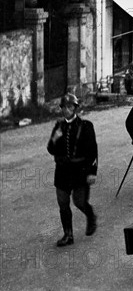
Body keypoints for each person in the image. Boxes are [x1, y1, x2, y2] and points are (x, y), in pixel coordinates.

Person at [47, 93, 98, 247]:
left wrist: (92, 172)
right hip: (62, 171)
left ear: (75, 108)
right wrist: (55, 138)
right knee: (63, 203)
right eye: (64, 107)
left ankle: (91, 216)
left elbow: (92, 151)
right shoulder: (58, 126)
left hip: (80, 170)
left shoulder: (86, 126)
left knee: (80, 202)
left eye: (70, 107)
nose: (67, 110)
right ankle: (68, 235)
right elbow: (50, 149)